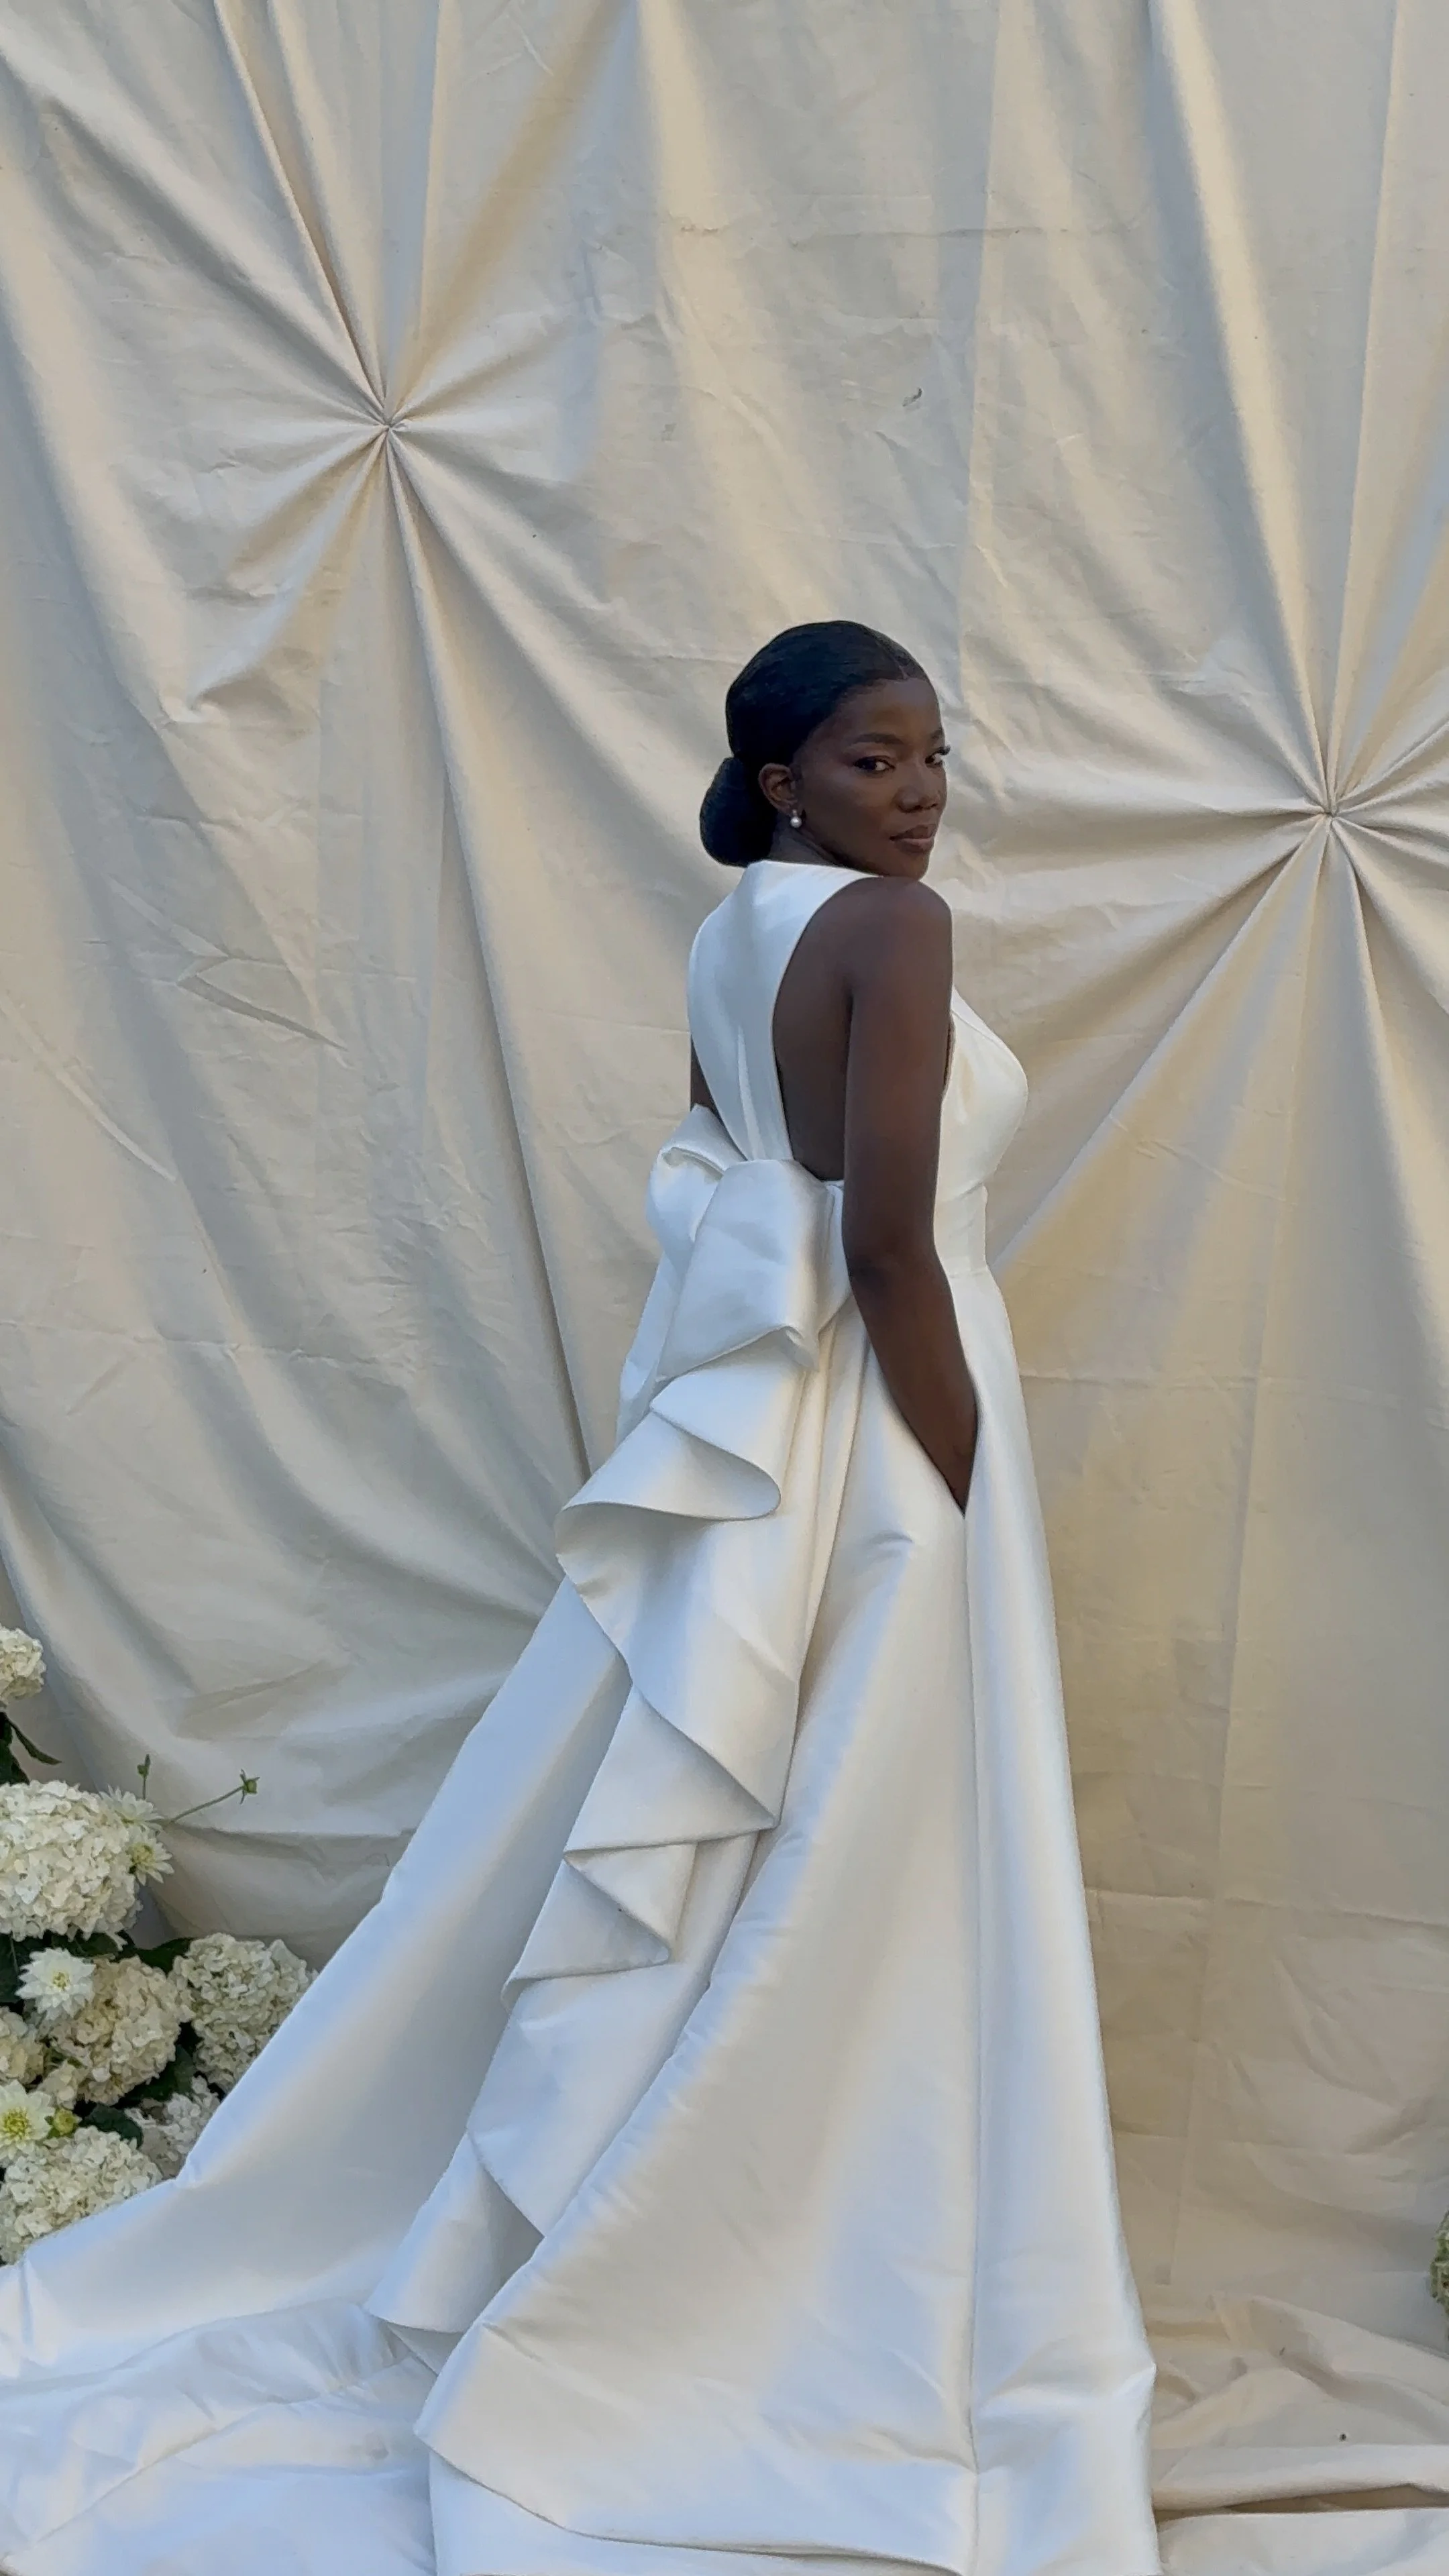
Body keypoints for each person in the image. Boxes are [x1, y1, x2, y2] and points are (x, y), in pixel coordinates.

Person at [0, 623, 1160, 2576]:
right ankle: (810, 2272)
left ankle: (694, 2219)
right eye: (878, 761)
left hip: (769, 1438)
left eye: (936, 758)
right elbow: (884, 1241)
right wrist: (964, 1477)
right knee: (874, 1844)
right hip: (889, 1429)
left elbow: (728, 1170)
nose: (923, 793)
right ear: (780, 773)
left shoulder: (740, 930)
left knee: (757, 1834)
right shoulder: (895, 930)